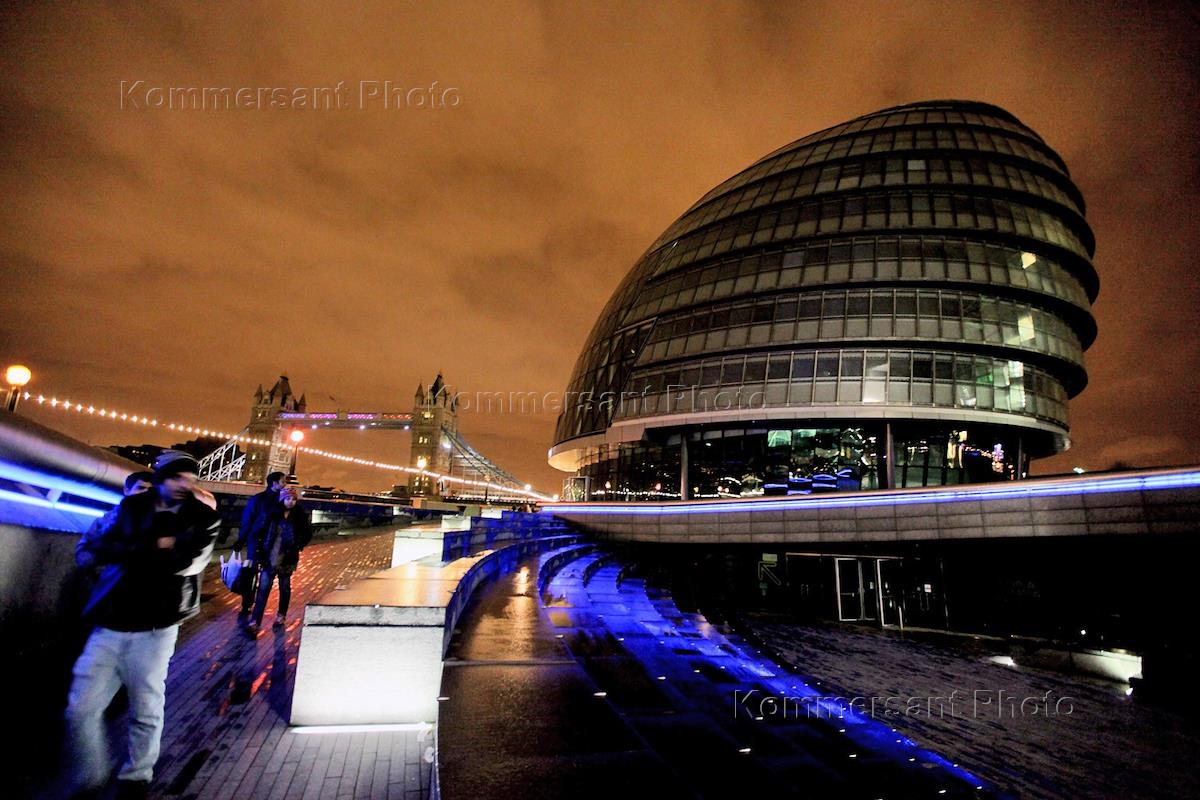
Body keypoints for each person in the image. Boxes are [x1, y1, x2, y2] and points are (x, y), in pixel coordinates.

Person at [60, 451, 220, 799]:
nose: (184, 485)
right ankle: (91, 775)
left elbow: (186, 563)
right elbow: (98, 548)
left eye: (191, 480)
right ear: (161, 477)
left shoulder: (203, 518)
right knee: (79, 709)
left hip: (156, 625)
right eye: (177, 478)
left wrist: (133, 551)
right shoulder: (131, 506)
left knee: (146, 707)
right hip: (110, 621)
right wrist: (156, 546)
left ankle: (137, 776)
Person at [247, 485, 311, 634]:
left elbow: (307, 532)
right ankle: (255, 621)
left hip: (288, 558)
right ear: (282, 499)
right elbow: (259, 531)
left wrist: (299, 544)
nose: (290, 501)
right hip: (269, 556)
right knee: (263, 590)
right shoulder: (272, 513)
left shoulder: (300, 515)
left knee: (285, 588)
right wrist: (258, 551)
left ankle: (281, 616)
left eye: (293, 499)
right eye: (288, 498)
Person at [234, 471, 286, 629]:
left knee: (264, 576)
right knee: (251, 574)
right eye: (283, 481)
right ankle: (247, 605)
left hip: (273, 544)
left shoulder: (283, 499)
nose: (285, 484)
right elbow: (247, 520)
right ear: (274, 483)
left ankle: (255, 611)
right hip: (256, 541)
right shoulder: (258, 499)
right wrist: (241, 539)